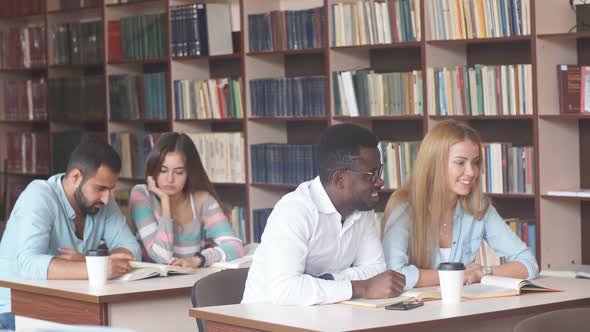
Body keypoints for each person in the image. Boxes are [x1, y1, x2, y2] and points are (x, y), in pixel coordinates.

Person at [242, 123, 405, 306]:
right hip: (265, 321)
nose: (380, 181)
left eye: (379, 171)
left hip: (323, 316)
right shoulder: (295, 210)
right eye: (371, 175)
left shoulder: (361, 208)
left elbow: (376, 271)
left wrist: (323, 281)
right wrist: (362, 288)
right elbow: (286, 290)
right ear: (340, 180)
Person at [0, 138, 141, 330]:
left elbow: (132, 251)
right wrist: (96, 268)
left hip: (72, 305)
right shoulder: (38, 195)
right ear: (75, 177)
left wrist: (84, 261)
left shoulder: (102, 202)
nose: (107, 198)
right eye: (100, 188)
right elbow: (29, 264)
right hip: (15, 310)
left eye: (110, 189)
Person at [382, 120, 538, 289]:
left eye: (476, 162)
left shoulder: (479, 207)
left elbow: (528, 263)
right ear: (435, 164)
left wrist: (482, 272)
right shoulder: (404, 208)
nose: (471, 172)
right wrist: (458, 274)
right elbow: (394, 275)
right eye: (460, 162)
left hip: (465, 308)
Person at [129, 132, 244, 268]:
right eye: (163, 170)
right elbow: (162, 257)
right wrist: (165, 203)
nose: (170, 179)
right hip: (152, 285)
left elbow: (235, 246)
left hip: (191, 283)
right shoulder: (141, 195)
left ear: (189, 173)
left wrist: (198, 259)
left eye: (179, 172)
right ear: (153, 169)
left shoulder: (202, 200)